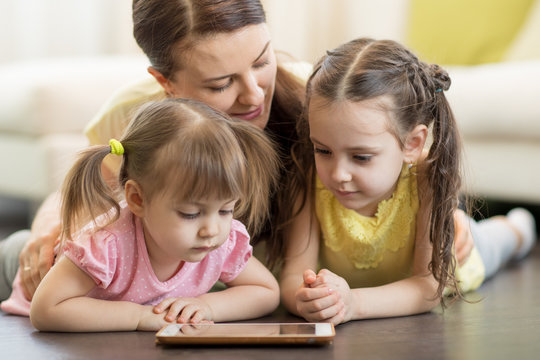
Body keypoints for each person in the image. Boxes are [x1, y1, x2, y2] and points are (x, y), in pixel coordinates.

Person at [0, 0, 472, 302]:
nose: (253, 95)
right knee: (28, 252)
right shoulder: (135, 114)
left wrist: (440, 218)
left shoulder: (319, 98)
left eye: (262, 61)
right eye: (221, 83)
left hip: (245, 278)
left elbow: (408, 141)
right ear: (165, 84)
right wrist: (50, 230)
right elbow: (82, 185)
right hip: (168, 275)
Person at [279, 38, 537, 325]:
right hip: (356, 294)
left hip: (460, 259)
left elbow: (429, 288)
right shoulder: (307, 179)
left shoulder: (426, 176)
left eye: (361, 157)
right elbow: (292, 277)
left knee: (491, 243)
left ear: (412, 143)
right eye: (323, 150)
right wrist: (304, 299)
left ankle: (518, 228)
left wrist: (354, 304)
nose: (338, 173)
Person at [1, 98, 281, 332]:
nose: (212, 229)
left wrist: (208, 305)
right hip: (32, 268)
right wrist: (137, 316)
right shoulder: (107, 244)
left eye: (225, 209)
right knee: (12, 250)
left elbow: (266, 291)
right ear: (137, 199)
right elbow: (47, 309)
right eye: (191, 213)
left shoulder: (221, 240)